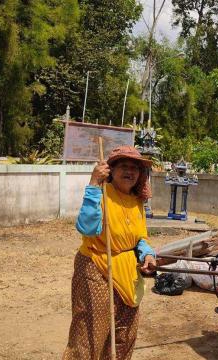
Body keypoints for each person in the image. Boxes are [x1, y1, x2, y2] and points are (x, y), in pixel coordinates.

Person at [63, 145, 157, 360]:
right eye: (124, 166)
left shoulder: (137, 201)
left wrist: (147, 255)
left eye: (135, 168)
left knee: (125, 333)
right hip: (95, 266)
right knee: (90, 332)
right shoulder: (102, 193)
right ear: (111, 170)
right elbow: (86, 228)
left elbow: (141, 238)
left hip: (127, 273)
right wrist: (94, 183)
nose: (130, 171)